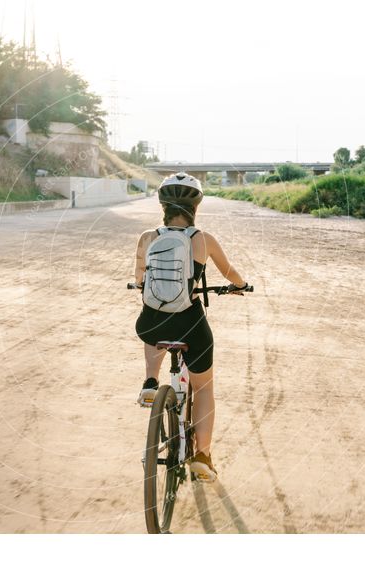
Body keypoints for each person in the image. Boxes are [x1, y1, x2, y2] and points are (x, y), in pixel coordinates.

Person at [133, 172, 247, 482]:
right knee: (204, 386)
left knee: (153, 314)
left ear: (162, 206)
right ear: (195, 207)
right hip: (191, 324)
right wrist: (240, 285)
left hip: (151, 324)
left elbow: (141, 280)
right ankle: (201, 455)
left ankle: (150, 382)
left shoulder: (147, 237)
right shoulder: (203, 239)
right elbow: (230, 272)